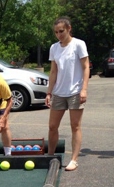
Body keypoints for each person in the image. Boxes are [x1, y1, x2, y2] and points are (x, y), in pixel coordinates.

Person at [45, 17, 90, 171]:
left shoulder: (78, 44)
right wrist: (49, 92)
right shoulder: (54, 48)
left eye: (61, 31)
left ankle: (74, 159)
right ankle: (50, 156)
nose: (59, 35)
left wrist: (84, 89)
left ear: (69, 28)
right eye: (56, 32)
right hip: (59, 92)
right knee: (52, 126)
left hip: (75, 91)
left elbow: (85, 67)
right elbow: (53, 71)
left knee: (75, 125)